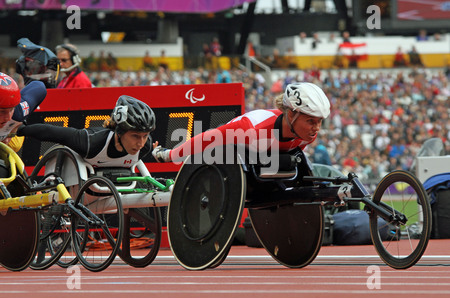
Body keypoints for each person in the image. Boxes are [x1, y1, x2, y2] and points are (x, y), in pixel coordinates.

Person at [152, 82, 331, 165]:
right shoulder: (250, 129)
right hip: (232, 158)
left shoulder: (308, 135)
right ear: (291, 114)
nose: (316, 128)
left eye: (319, 122)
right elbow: (207, 139)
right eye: (310, 121)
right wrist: (170, 155)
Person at [17, 95, 155, 168]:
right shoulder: (90, 142)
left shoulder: (146, 146)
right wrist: (18, 130)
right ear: (119, 131)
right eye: (135, 136)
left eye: (145, 136)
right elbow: (50, 132)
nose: (141, 143)